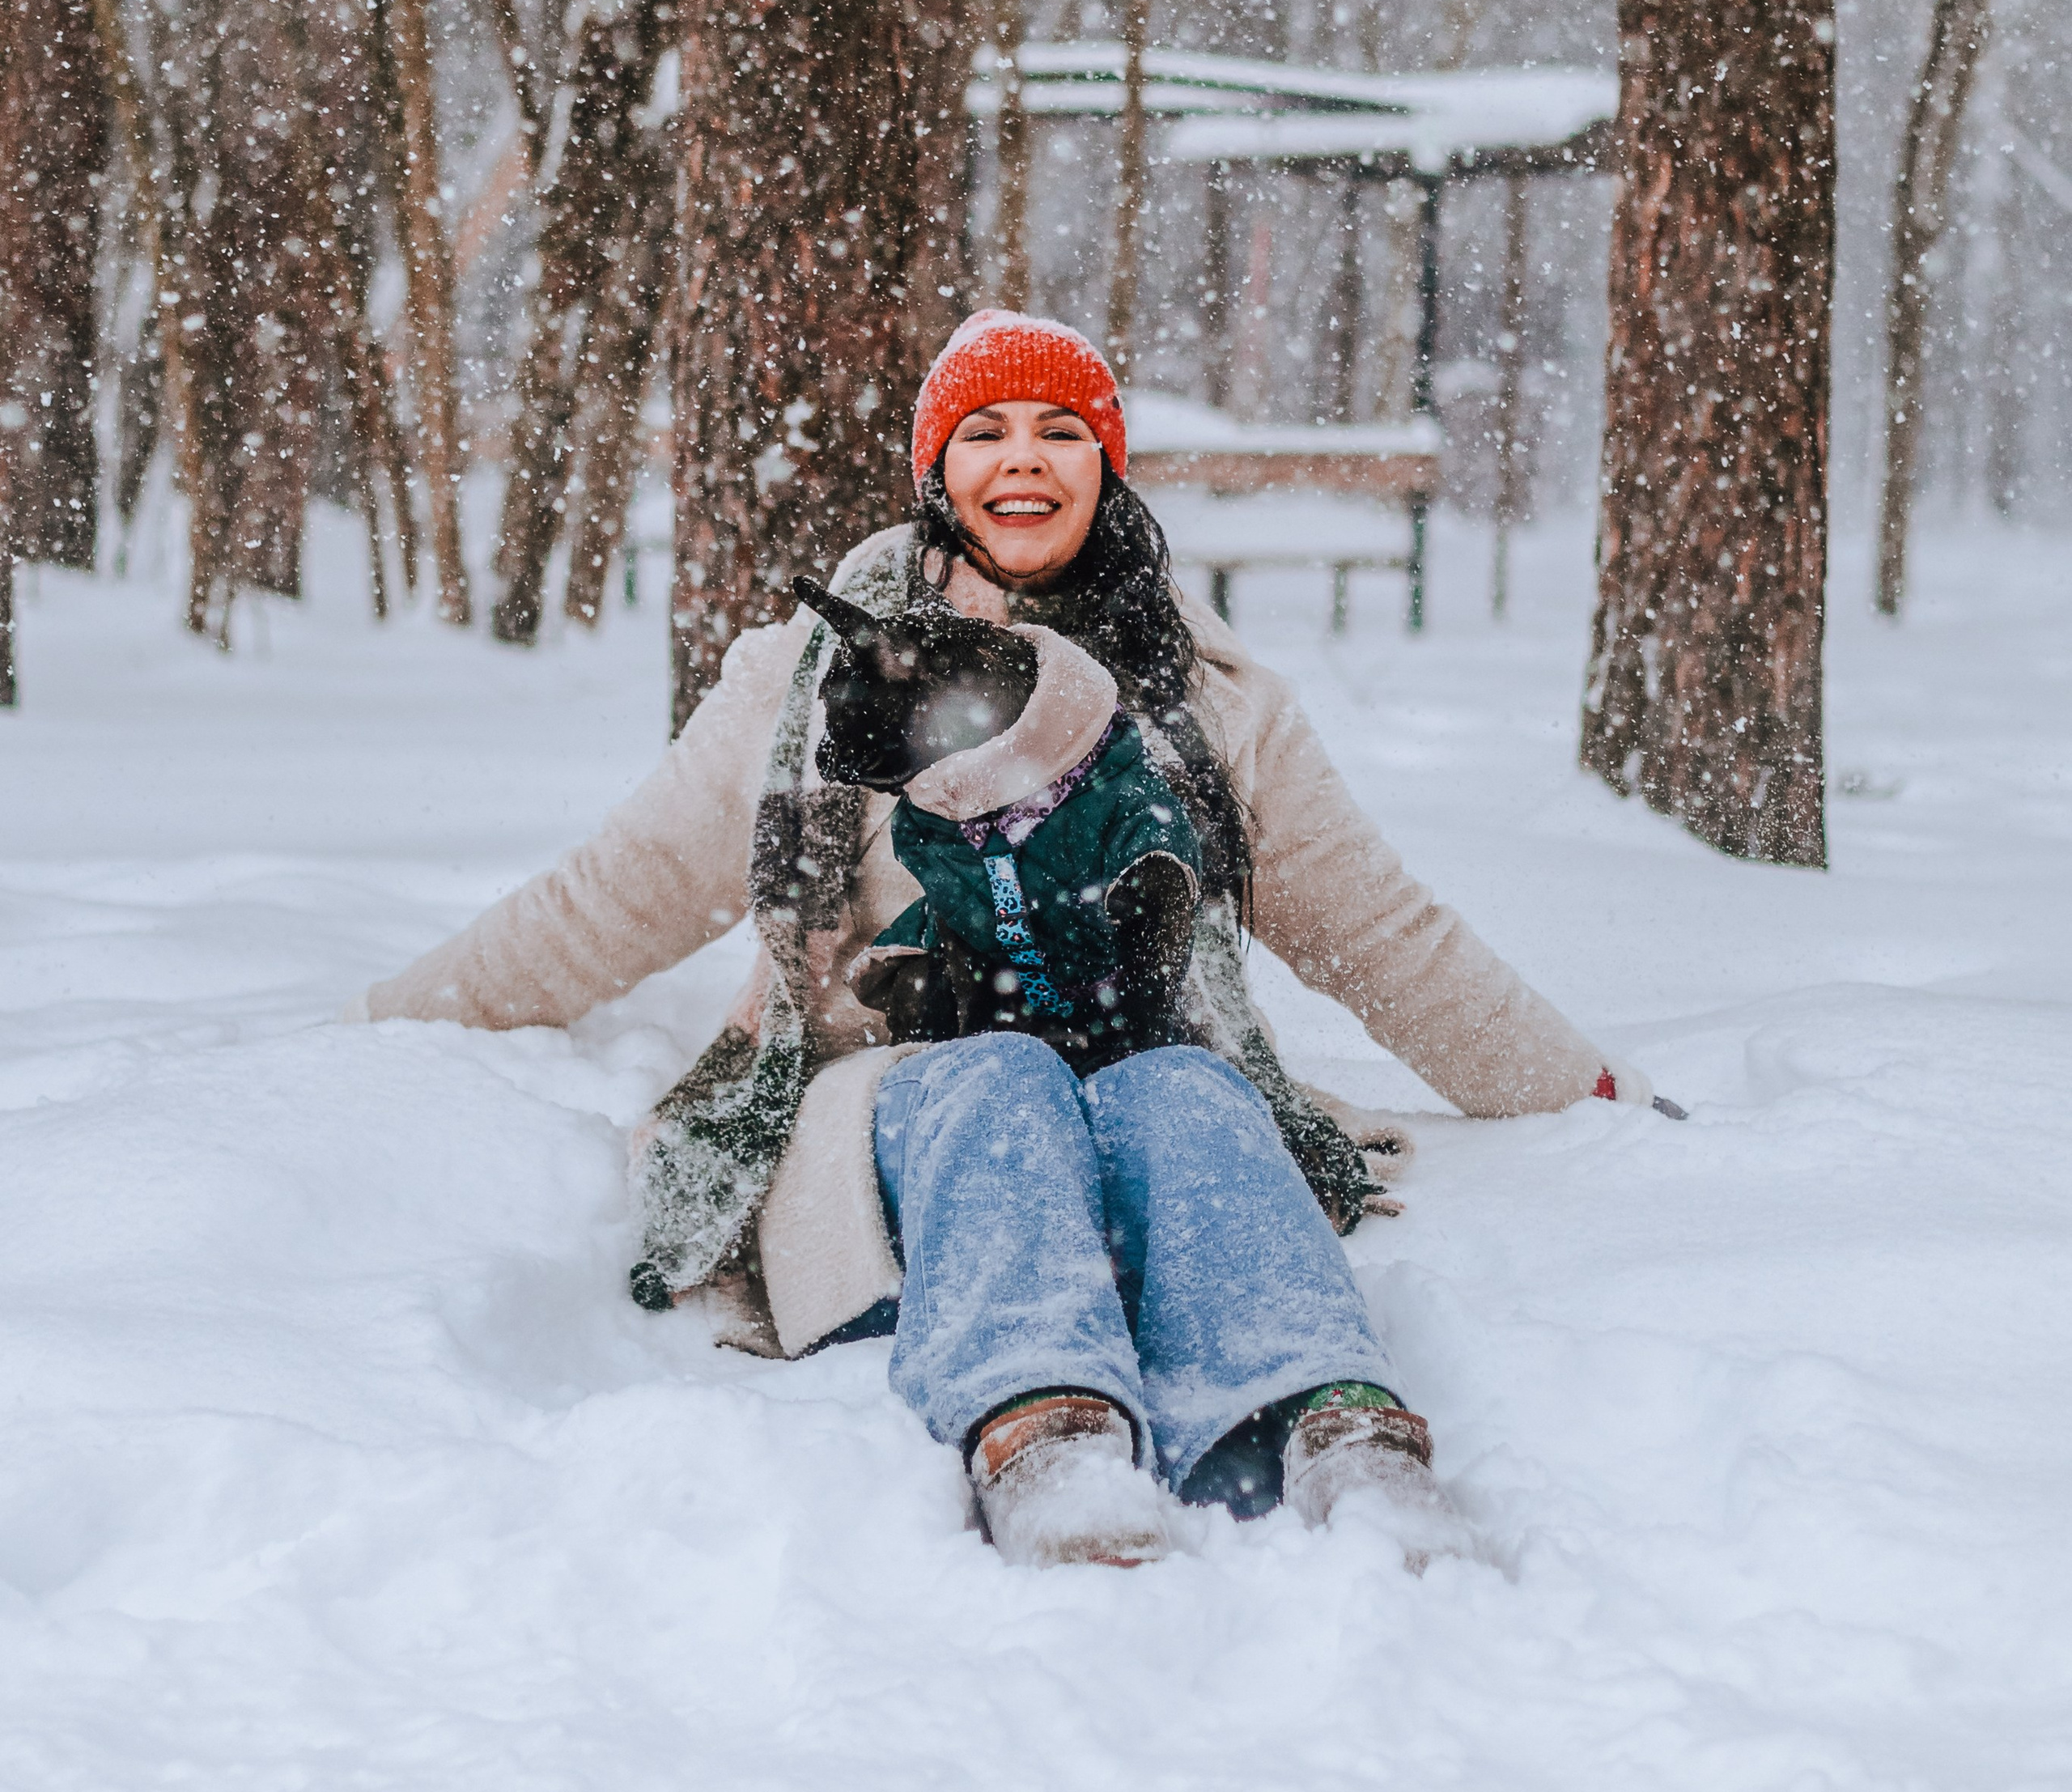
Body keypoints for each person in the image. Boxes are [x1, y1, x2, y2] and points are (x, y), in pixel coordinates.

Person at [363, 308, 1658, 1571]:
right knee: (999, 1078)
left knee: (1195, 1093)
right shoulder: (818, 679)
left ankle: (1337, 1426)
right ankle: (1043, 1431)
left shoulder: (1211, 695)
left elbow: (1381, 929)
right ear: (939, 471)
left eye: (1061, 430)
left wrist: (1591, 1090)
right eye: (984, 432)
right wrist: (388, 1027)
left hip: (1141, 1089)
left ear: (1108, 466)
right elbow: (620, 888)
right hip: (910, 1100)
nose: (1023, 459)